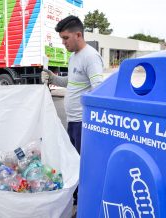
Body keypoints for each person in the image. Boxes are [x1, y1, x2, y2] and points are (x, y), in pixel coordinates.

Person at [42, 15, 104, 204]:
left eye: (66, 38)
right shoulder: (74, 57)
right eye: (62, 39)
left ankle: (84, 198)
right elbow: (72, 83)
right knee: (74, 160)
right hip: (73, 120)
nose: (63, 43)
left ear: (78, 35)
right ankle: (77, 195)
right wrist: (53, 78)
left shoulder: (91, 57)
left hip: (83, 122)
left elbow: (98, 89)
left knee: (82, 163)